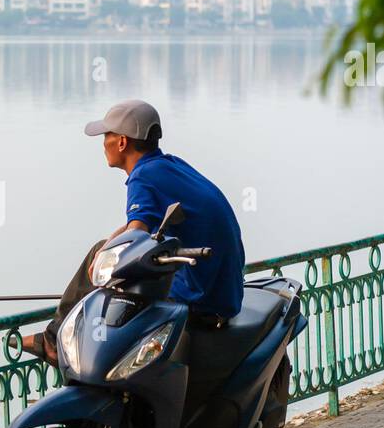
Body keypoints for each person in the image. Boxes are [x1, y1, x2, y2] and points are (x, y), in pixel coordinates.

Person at [22, 99, 246, 364]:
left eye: (106, 135)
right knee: (108, 252)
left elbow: (136, 233)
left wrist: (104, 253)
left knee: (106, 263)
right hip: (223, 292)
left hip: (199, 296)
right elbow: (138, 225)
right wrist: (111, 244)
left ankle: (54, 340)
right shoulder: (168, 166)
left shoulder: (144, 177)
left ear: (122, 142)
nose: (102, 143)